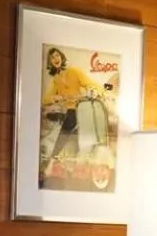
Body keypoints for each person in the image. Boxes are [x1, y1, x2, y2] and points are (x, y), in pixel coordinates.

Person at [40, 47, 109, 176]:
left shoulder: (74, 71)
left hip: (80, 107)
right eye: (52, 58)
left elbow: (90, 84)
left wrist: (100, 92)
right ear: (50, 63)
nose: (55, 59)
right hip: (68, 111)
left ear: (61, 57)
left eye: (57, 56)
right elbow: (46, 100)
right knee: (65, 121)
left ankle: (53, 158)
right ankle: (55, 159)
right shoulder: (56, 81)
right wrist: (56, 97)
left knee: (71, 120)